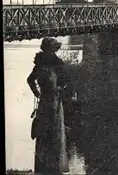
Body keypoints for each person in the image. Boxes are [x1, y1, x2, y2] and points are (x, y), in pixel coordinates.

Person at [27, 37, 70, 175]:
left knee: (54, 133)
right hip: (45, 102)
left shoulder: (57, 64)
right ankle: (44, 168)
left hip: (55, 102)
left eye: (50, 50)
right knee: (44, 132)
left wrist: (59, 89)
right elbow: (30, 80)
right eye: (47, 50)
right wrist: (36, 92)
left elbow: (66, 80)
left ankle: (53, 168)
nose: (49, 52)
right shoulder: (39, 63)